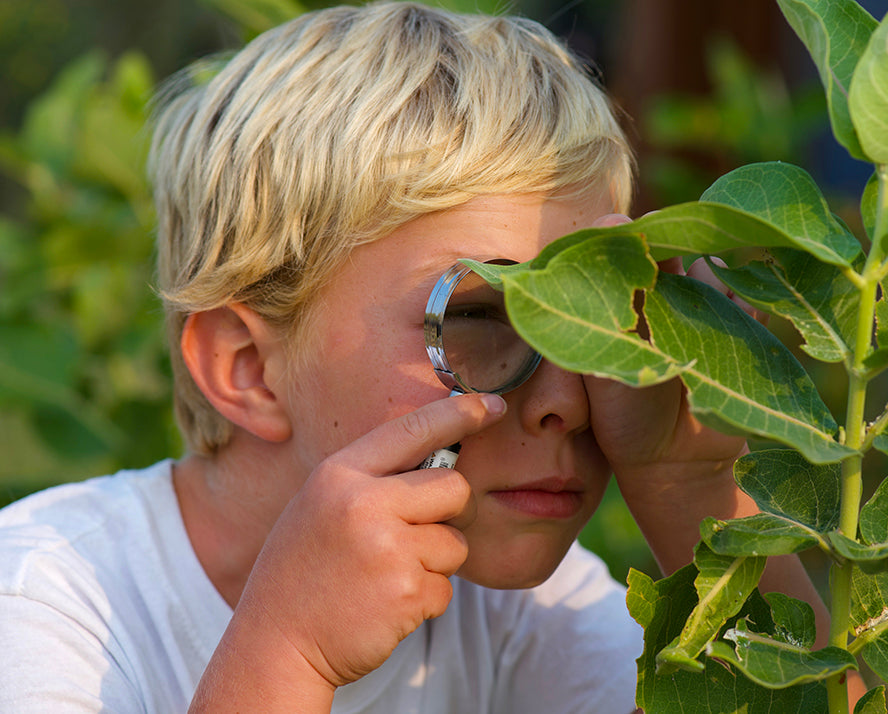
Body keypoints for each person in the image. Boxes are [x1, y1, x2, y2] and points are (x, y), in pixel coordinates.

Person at [0, 3, 838, 712]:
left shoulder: (524, 617)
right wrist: (289, 656)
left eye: (599, 320)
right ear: (247, 369)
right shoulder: (49, 604)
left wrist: (688, 488)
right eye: (475, 315)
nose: (571, 403)